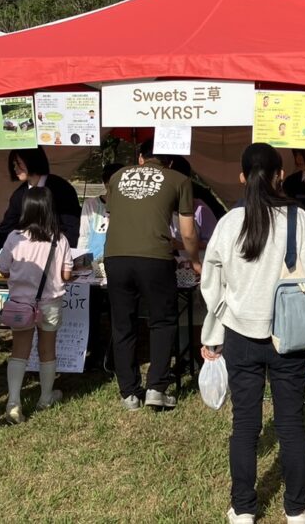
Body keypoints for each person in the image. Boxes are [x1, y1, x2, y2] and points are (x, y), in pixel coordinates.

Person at [200, 143, 305, 524]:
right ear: (280, 175)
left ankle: (243, 508)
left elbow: (212, 283)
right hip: (289, 335)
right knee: (290, 423)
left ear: (242, 177)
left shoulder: (228, 223)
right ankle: (297, 509)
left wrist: (212, 334)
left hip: (239, 334)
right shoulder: (299, 219)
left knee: (245, 424)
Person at [104, 139, 199, 411]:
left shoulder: (118, 176)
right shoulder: (179, 179)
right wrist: (194, 261)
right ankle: (156, 387)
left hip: (116, 256)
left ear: (141, 158)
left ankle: (129, 393)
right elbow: (188, 231)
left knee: (123, 322)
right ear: (169, 161)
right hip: (156, 257)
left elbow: (112, 217)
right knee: (163, 320)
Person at [0, 187, 74, 422]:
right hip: (50, 303)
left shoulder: (14, 237)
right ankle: (45, 397)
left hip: (21, 304)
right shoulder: (59, 239)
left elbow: (3, 268)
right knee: (47, 349)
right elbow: (66, 274)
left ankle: (13, 402)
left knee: (19, 351)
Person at [0, 148, 82, 248]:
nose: (15, 168)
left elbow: (72, 226)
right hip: (26, 252)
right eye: (14, 164)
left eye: (19, 163)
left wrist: (68, 252)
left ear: (32, 160)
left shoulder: (61, 189)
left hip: (57, 249)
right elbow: (8, 226)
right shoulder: (19, 194)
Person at [77, 163, 122, 263]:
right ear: (106, 184)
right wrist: (80, 261)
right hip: (93, 261)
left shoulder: (128, 206)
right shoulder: (90, 204)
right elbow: (84, 234)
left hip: (119, 262)